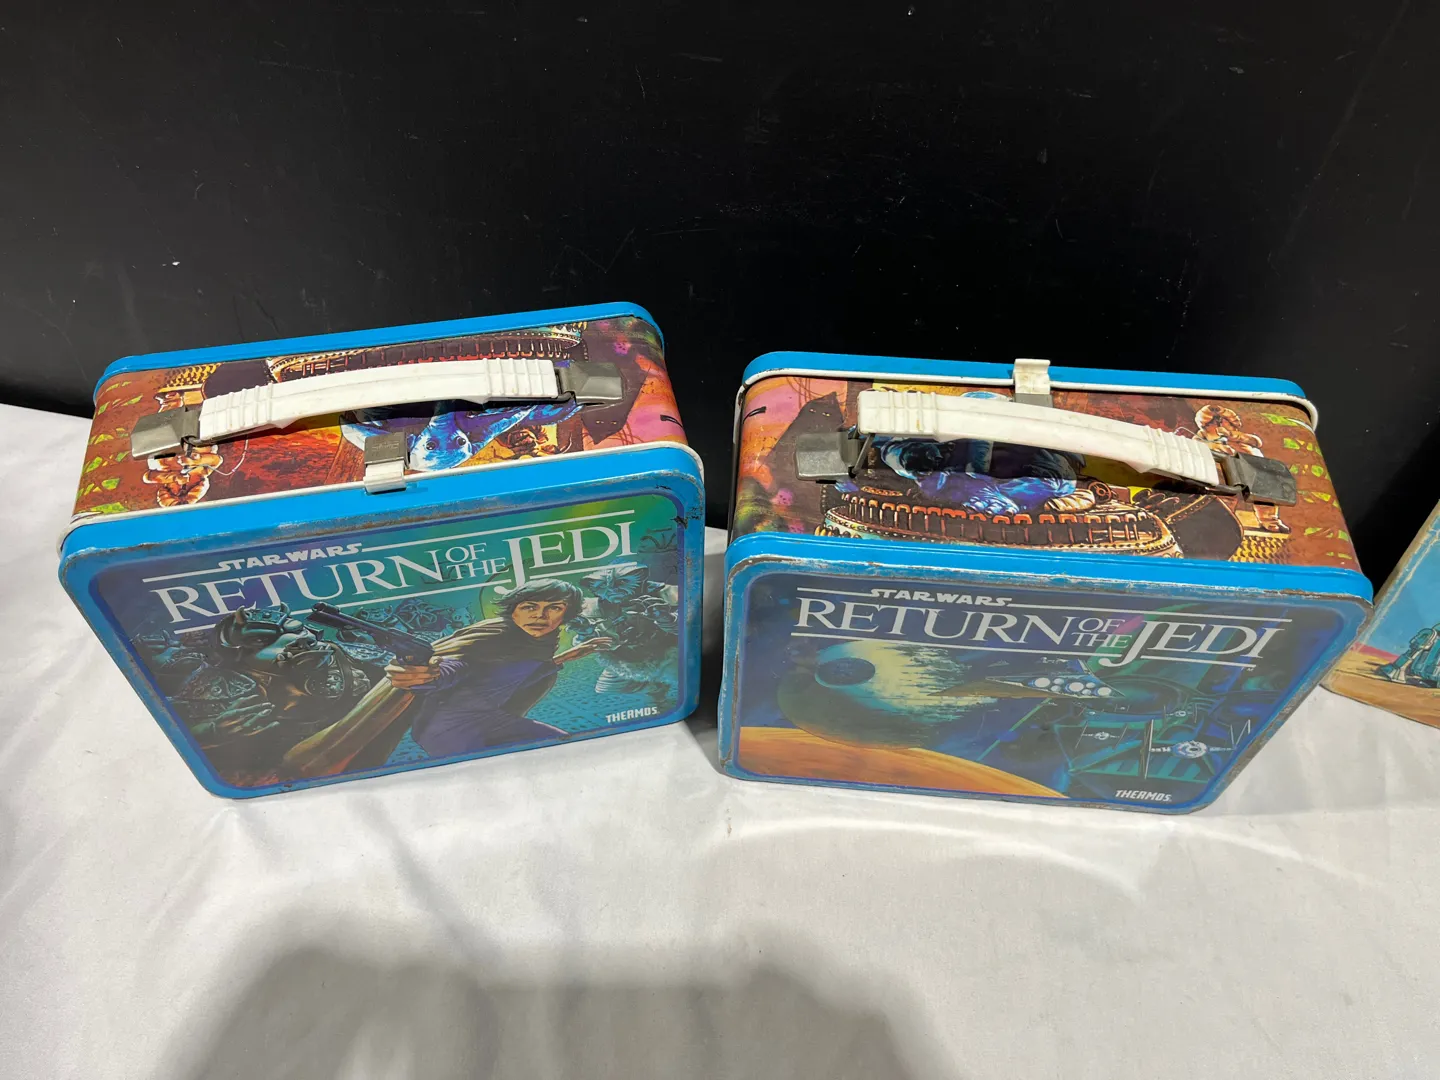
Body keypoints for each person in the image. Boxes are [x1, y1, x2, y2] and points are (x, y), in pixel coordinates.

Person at [280, 580, 611, 777]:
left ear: (566, 613)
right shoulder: (492, 637)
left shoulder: (538, 644)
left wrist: (566, 657)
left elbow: (515, 674)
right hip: (448, 730)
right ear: (513, 610)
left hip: (492, 720)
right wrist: (422, 674)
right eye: (530, 606)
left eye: (554, 608)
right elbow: (452, 668)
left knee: (564, 748)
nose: (541, 616)